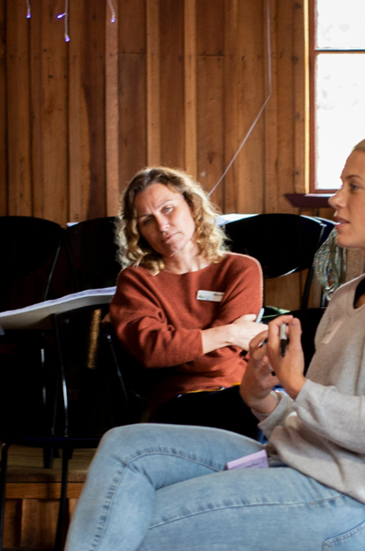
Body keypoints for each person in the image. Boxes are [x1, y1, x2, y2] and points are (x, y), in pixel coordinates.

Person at [61, 134, 365, 551]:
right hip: (298, 463)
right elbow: (317, 424)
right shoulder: (348, 295)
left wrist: (296, 384)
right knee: (123, 447)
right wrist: (263, 399)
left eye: (354, 186)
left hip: (350, 502)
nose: (336, 199)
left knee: (132, 534)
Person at [109, 166, 267, 439]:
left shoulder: (241, 269)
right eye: (147, 220)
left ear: (192, 206)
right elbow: (152, 351)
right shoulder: (136, 280)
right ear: (139, 231)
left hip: (242, 394)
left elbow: (221, 362)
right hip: (177, 401)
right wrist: (229, 333)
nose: (161, 225)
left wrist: (174, 352)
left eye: (168, 209)